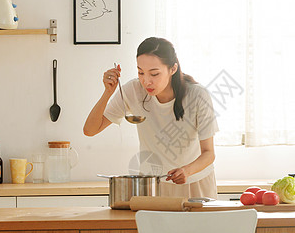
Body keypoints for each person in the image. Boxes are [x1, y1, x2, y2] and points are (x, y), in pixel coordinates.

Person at [84, 37, 219, 199]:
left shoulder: (198, 95)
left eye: (154, 74)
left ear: (173, 69)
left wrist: (186, 171)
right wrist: (108, 92)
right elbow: (90, 130)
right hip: (151, 185)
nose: (146, 81)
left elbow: (208, 153)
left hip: (195, 183)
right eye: (140, 72)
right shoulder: (133, 90)